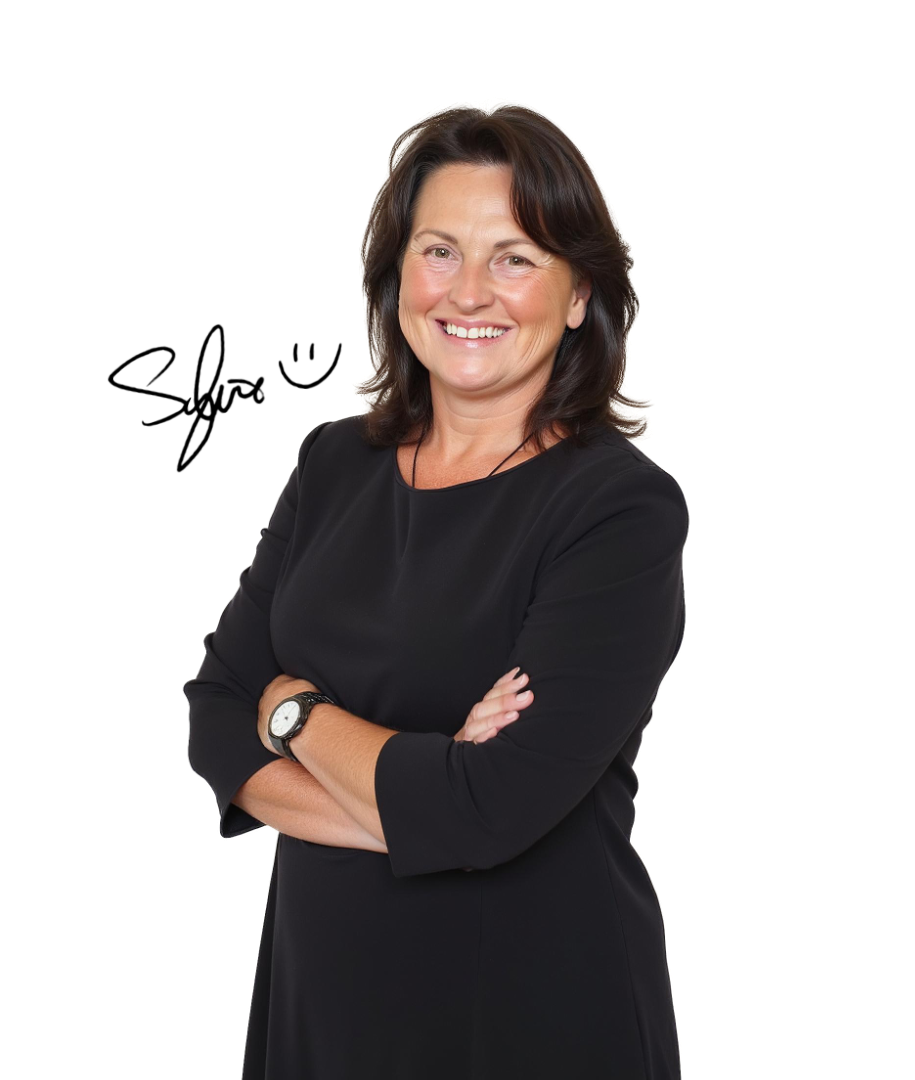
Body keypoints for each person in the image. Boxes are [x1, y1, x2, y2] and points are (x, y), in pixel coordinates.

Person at [183, 97, 690, 1079]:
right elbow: (214, 719)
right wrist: (424, 794)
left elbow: (485, 808)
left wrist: (292, 714)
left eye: (515, 258)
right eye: (440, 251)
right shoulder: (333, 464)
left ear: (578, 294)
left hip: (532, 1016)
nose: (470, 292)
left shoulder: (618, 509)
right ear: (396, 274)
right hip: (323, 1007)